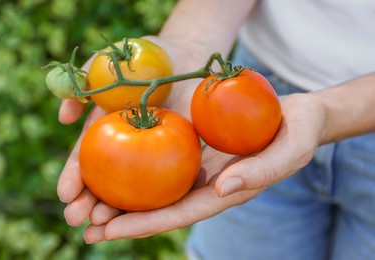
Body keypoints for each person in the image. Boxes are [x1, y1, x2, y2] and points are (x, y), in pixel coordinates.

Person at [56, 0, 375, 259]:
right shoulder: (214, 99)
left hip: (258, 102)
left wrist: (330, 112)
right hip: (257, 86)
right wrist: (187, 44)